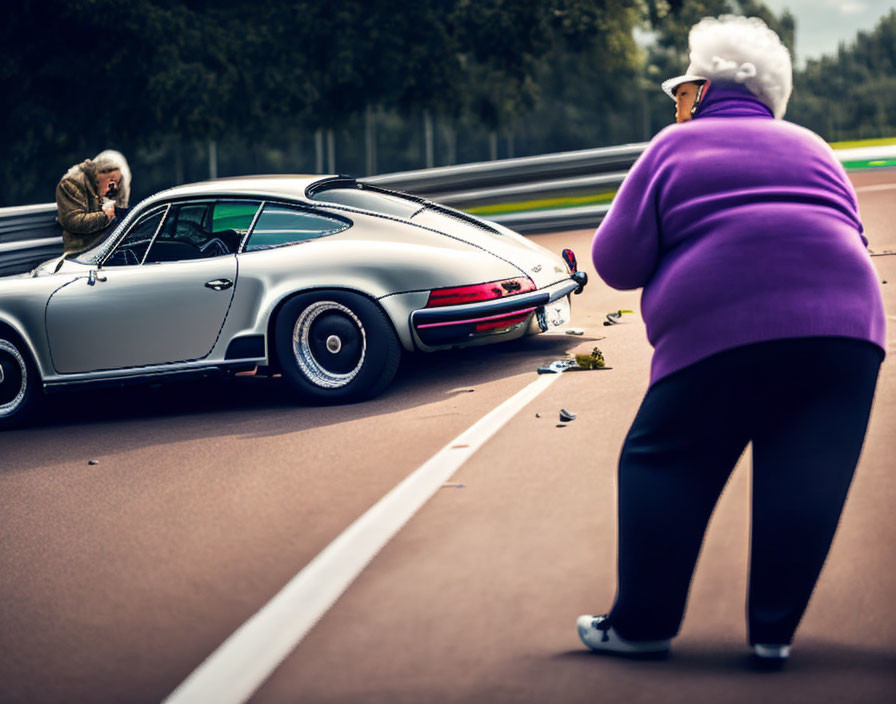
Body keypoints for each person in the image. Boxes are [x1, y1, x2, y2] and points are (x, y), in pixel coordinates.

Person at [579, 15, 886, 664]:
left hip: (719, 332)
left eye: (683, 91)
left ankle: (643, 625)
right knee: (805, 473)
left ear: (703, 89)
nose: (679, 103)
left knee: (662, 458)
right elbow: (847, 234)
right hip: (845, 329)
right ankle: (773, 633)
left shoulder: (671, 146)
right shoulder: (813, 145)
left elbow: (615, 261)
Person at [56, 149, 131, 254]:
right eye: (112, 180)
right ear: (100, 174)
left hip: (105, 248)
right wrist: (105, 216)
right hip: (80, 252)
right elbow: (72, 221)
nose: (114, 187)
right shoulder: (71, 184)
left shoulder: (100, 185)